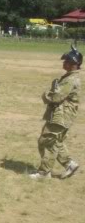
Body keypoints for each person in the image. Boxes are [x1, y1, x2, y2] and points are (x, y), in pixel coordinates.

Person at [30, 47, 81, 180]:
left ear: (73, 63)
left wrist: (46, 95)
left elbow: (56, 97)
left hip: (61, 116)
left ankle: (44, 173)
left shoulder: (70, 80)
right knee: (56, 142)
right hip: (62, 115)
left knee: (47, 142)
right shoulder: (69, 77)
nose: (64, 63)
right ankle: (69, 164)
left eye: (67, 61)